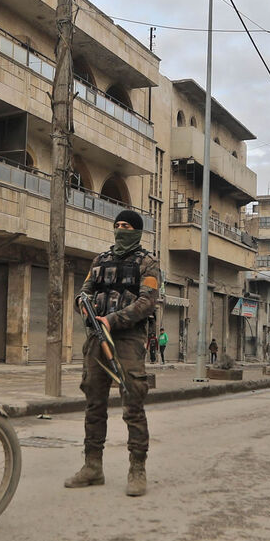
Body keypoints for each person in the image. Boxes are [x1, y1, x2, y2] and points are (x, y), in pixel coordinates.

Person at [64, 210, 160, 497]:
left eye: (126, 226)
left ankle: (137, 469)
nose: (120, 230)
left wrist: (113, 320)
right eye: (117, 225)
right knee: (94, 403)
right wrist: (87, 310)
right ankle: (92, 466)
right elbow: (84, 293)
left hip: (128, 338)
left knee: (133, 402)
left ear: (137, 231)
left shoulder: (148, 264)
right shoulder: (99, 261)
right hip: (97, 337)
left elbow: (147, 303)